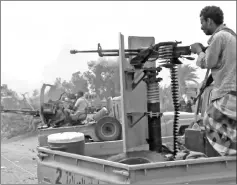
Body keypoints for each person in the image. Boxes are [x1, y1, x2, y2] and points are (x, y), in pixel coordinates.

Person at [190, 6, 236, 156]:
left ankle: (230, 155)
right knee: (229, 127)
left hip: (227, 89)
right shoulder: (231, 36)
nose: (201, 27)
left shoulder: (219, 37)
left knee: (210, 120)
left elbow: (208, 63)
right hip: (232, 89)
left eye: (202, 22)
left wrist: (199, 51)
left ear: (209, 21)